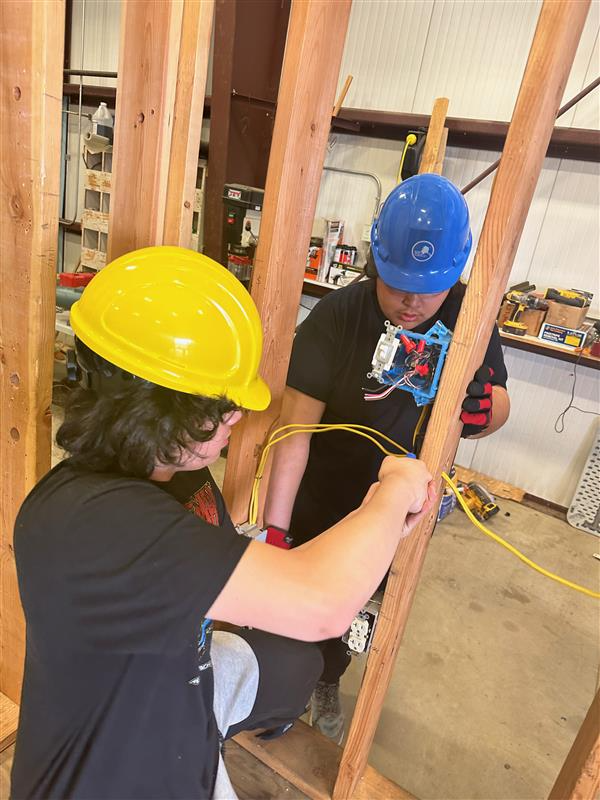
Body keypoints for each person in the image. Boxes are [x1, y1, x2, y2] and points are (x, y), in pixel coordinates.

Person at [11, 246, 433, 800]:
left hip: (168, 704)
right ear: (159, 406)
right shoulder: (98, 525)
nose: (239, 416)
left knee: (295, 663)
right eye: (223, 405)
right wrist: (397, 487)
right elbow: (322, 603)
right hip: (111, 779)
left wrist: (367, 528)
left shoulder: (165, 475)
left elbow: (289, 583)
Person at [263, 174, 511, 743]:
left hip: (403, 505)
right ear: (376, 260)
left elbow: (497, 409)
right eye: (398, 285)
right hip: (325, 489)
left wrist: (481, 412)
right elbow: (295, 432)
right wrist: (275, 532)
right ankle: (289, 679)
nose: (412, 302)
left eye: (430, 289)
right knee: (301, 593)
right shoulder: (335, 318)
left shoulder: (471, 318)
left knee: (360, 609)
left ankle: (328, 676)